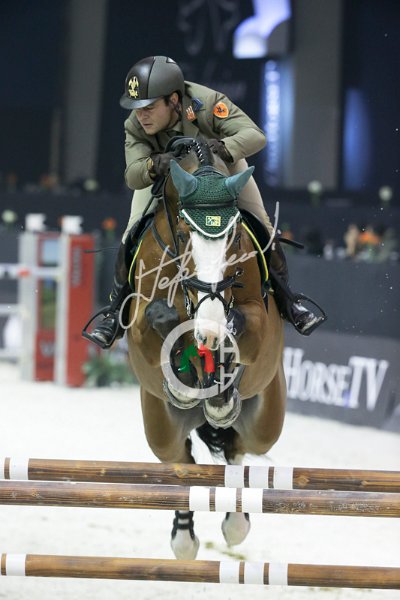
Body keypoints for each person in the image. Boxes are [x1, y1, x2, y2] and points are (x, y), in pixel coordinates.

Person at [86, 55, 324, 348]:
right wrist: (153, 164)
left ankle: (290, 302)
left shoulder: (206, 103)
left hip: (222, 171)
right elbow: (133, 176)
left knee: (263, 226)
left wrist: (224, 146)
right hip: (167, 178)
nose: (141, 116)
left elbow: (256, 136)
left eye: (149, 107)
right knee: (131, 233)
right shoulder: (134, 124)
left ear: (174, 100)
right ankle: (114, 313)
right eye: (137, 108)